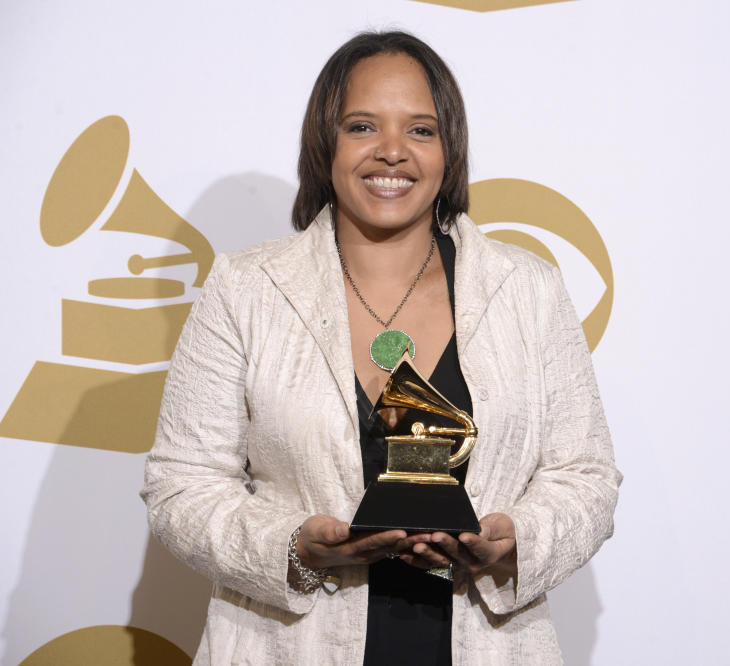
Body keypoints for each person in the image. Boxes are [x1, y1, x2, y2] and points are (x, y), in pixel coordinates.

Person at [141, 30, 620, 665]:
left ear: (449, 151)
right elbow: (183, 483)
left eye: (420, 130)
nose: (392, 152)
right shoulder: (246, 288)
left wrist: (516, 540)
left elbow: (584, 476)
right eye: (363, 126)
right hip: (288, 646)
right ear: (326, 144)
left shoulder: (527, 289)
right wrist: (294, 548)